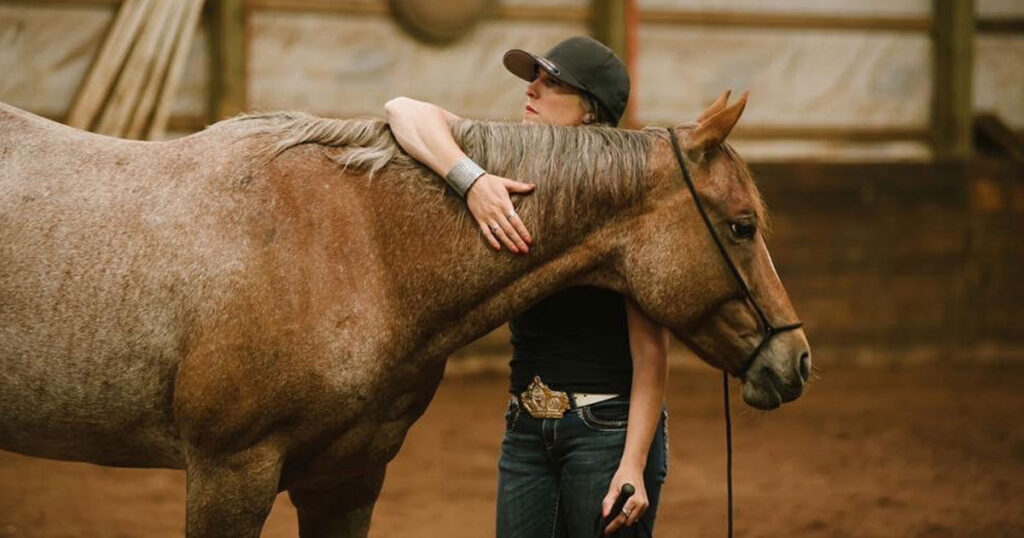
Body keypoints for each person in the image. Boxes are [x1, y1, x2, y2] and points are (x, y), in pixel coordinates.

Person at [385, 36, 669, 537]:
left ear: (590, 111)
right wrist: (470, 180)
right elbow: (402, 110)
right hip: (525, 427)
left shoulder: (624, 192)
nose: (532, 90)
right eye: (534, 78)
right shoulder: (511, 163)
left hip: (607, 431)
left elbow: (650, 353)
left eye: (552, 82)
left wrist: (634, 466)